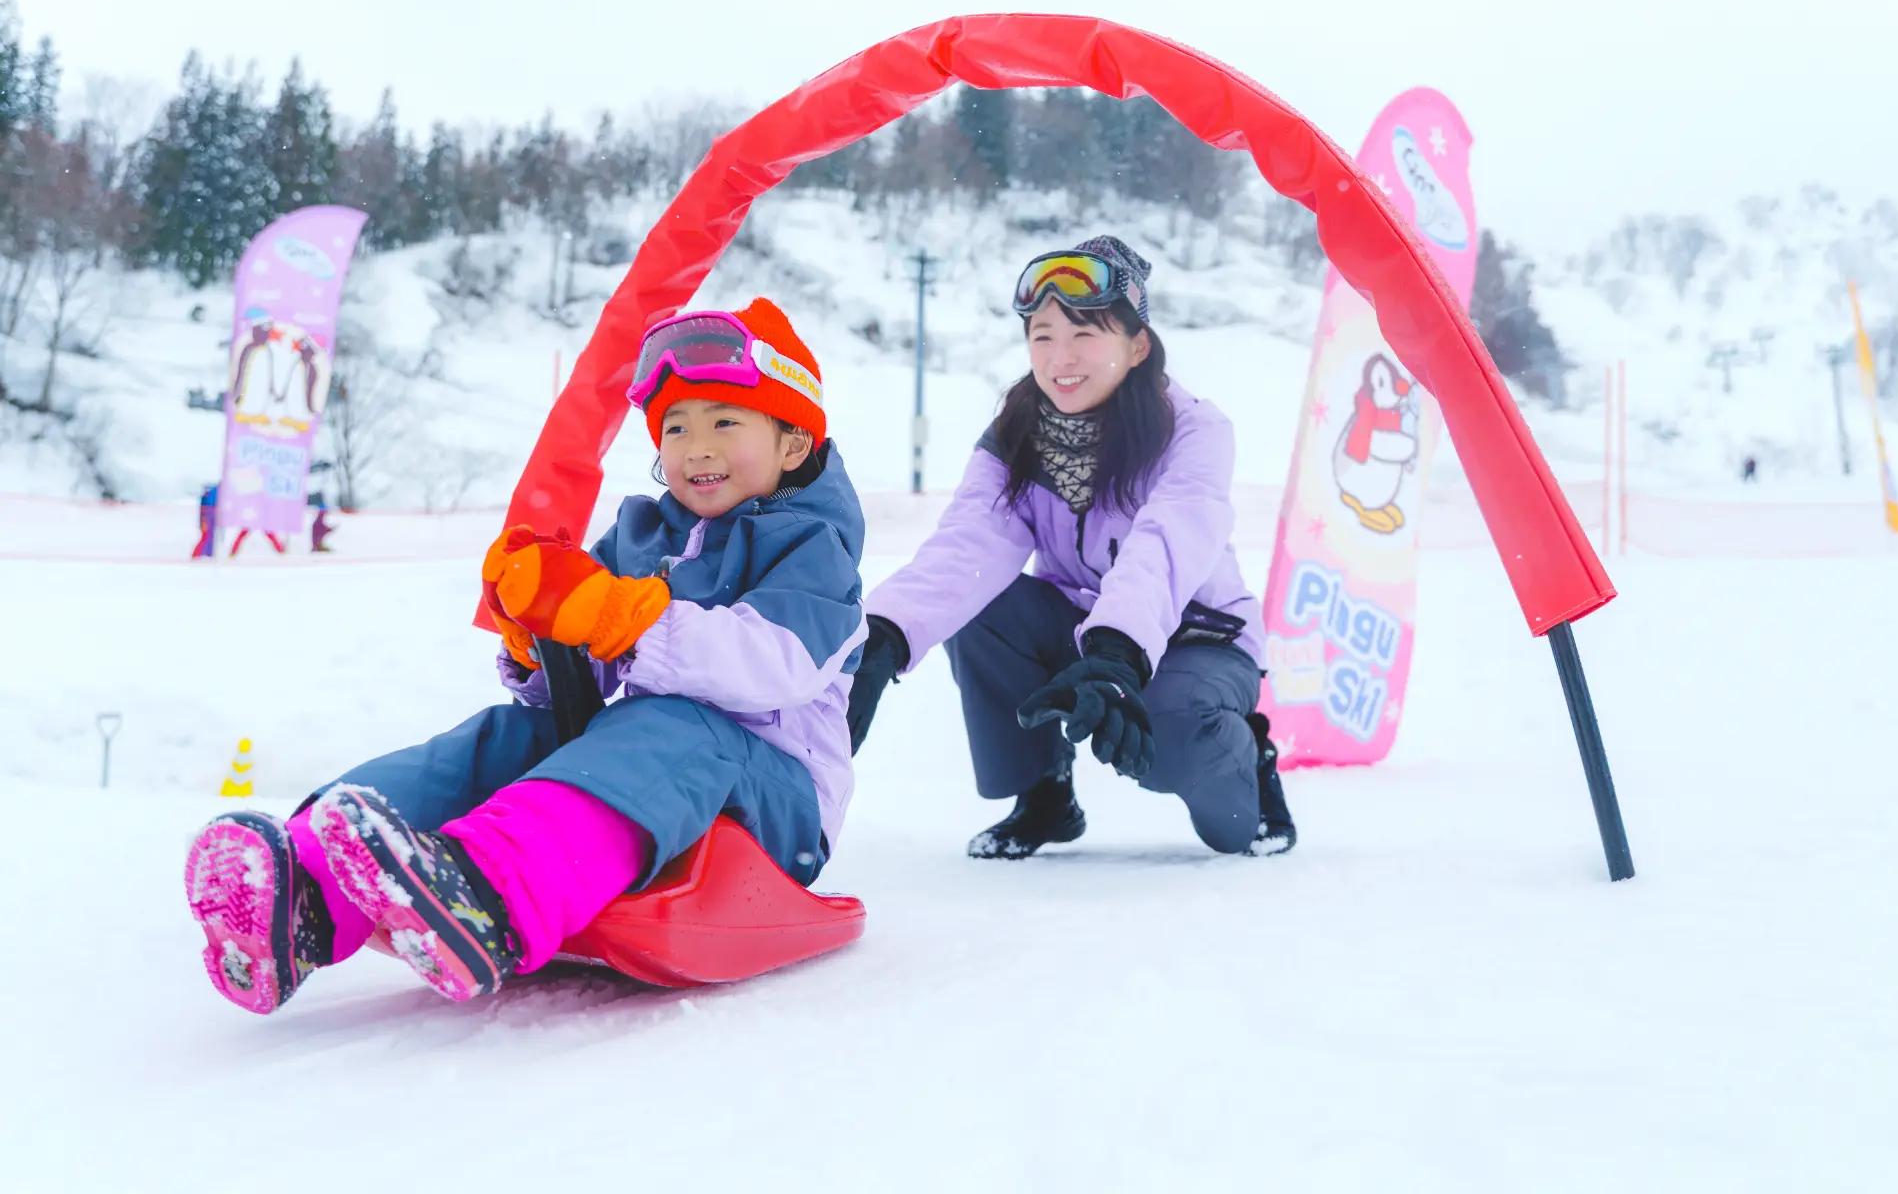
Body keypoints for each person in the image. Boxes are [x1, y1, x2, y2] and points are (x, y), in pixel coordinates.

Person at [183, 299, 865, 1012]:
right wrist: (541, 635)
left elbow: (769, 667)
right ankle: (305, 889)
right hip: (652, 766)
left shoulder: (815, 551)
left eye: (725, 421)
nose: (696, 446)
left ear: (793, 445)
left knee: (675, 730)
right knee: (511, 733)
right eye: (675, 425)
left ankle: (489, 893)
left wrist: (620, 618)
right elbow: (581, 684)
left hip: (776, 799)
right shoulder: (643, 536)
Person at [848, 236, 1295, 860]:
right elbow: (968, 548)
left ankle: (1248, 755)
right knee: (983, 607)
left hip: (1198, 639)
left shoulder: (1192, 430)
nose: (1061, 357)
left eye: (1085, 334)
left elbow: (1166, 542)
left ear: (1137, 346)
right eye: (1043, 335)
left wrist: (1115, 654)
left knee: (1176, 748)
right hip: (1083, 625)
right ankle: (1045, 795)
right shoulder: (1016, 436)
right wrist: (884, 636)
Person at [191, 483, 217, 559]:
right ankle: (197, 555)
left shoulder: (205, 499)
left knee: (207, 536)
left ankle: (204, 554)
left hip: (207, 516)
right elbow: (203, 513)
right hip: (206, 518)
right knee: (205, 537)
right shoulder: (206, 500)